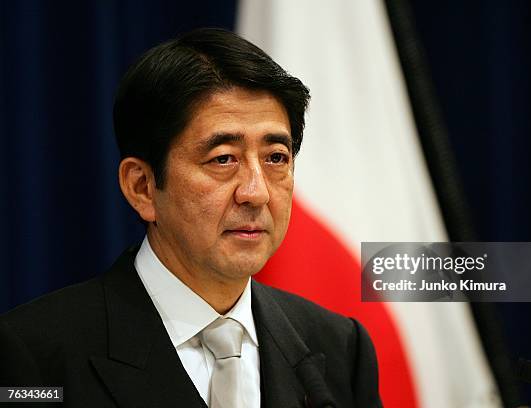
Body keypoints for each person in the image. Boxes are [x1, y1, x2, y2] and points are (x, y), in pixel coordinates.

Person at [0, 28, 382, 408]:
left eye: (276, 158)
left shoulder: (339, 348)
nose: (256, 192)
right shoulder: (33, 356)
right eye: (223, 159)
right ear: (143, 187)